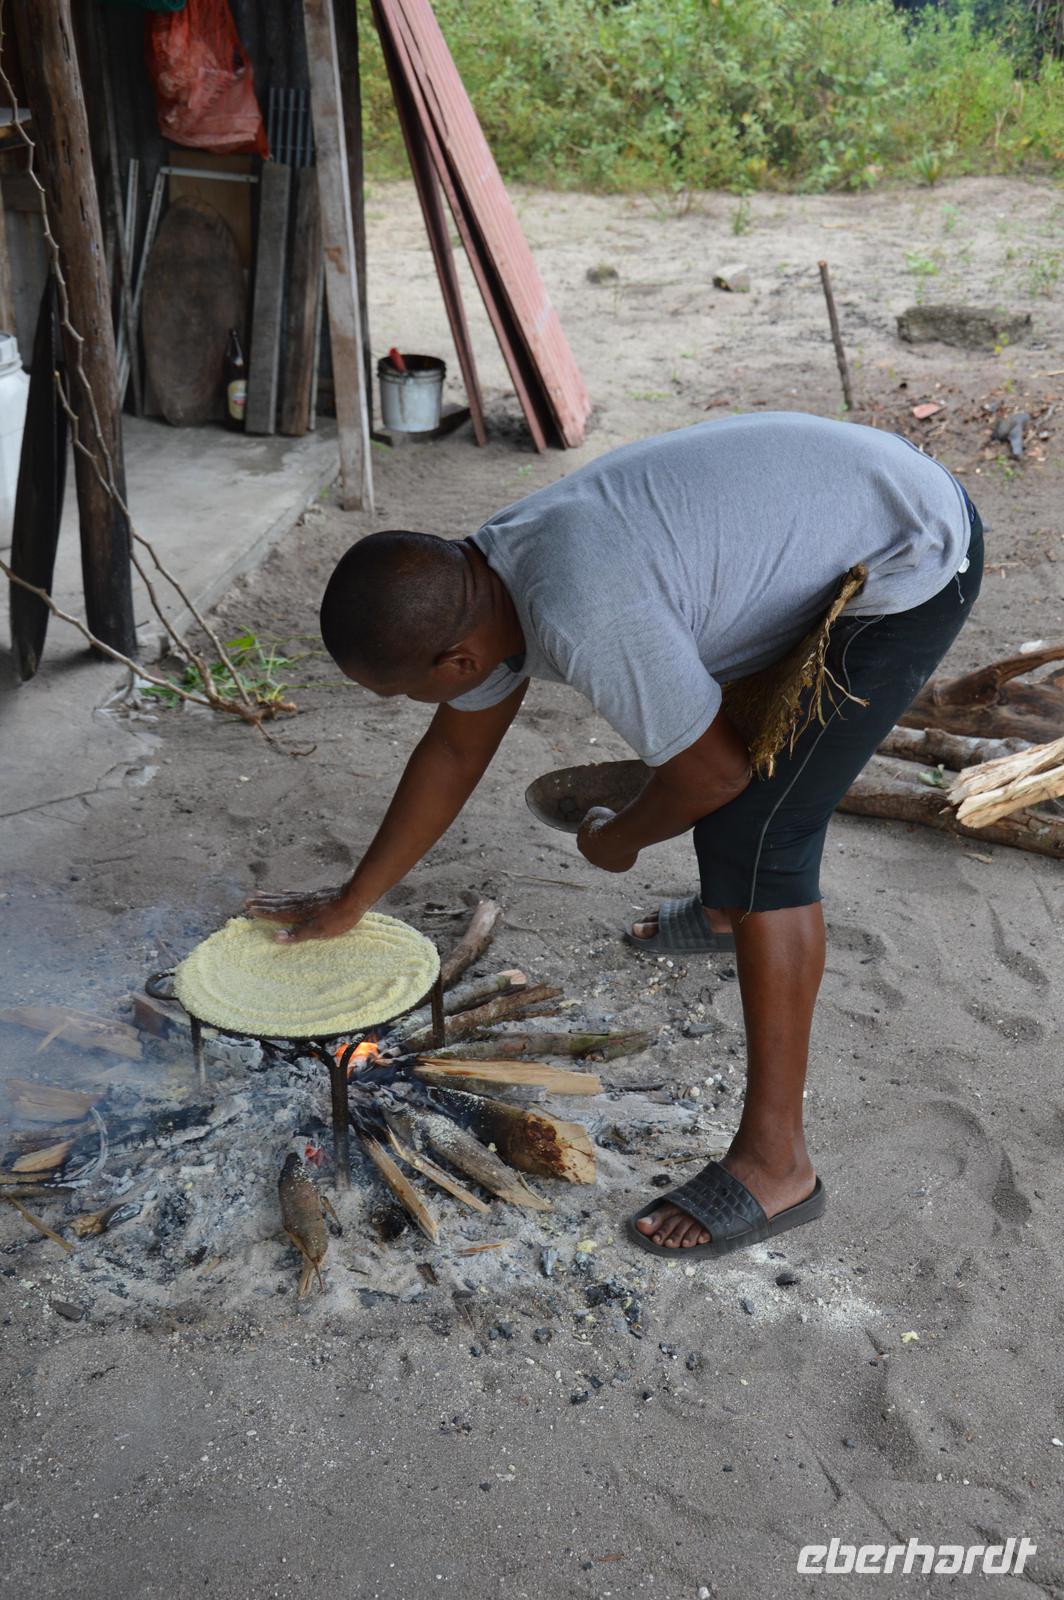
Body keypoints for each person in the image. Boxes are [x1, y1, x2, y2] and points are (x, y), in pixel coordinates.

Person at [247, 412, 983, 1260]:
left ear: (456, 661)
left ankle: (777, 1165)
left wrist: (620, 839)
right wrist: (355, 899)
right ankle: (722, 916)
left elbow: (714, 778)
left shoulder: (579, 609)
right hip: (852, 497)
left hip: (913, 554)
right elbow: (454, 748)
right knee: (725, 786)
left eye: (407, 692)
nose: (429, 705)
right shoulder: (485, 581)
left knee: (759, 834)